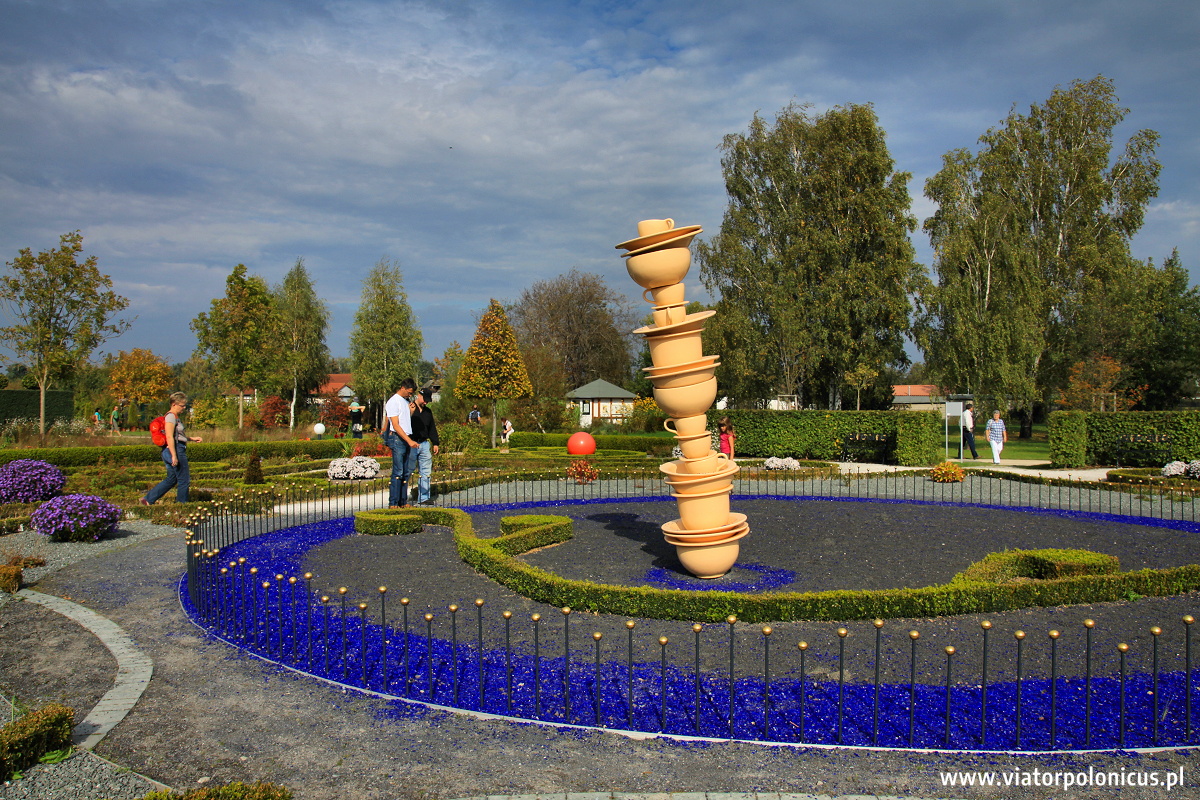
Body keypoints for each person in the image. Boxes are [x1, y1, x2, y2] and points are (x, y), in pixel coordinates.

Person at [142, 392, 203, 505]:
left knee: (172, 479)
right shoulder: (170, 417)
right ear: (174, 404)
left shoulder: (173, 417)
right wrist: (174, 455)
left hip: (170, 449)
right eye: (182, 405)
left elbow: (177, 435)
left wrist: (191, 438)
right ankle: (181, 505)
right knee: (183, 479)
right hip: (175, 449)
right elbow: (169, 436)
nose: (184, 408)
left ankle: (148, 499)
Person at [382, 378, 419, 507]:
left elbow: (404, 419)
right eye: (409, 392)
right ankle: (393, 502)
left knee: (406, 471)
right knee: (398, 471)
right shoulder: (393, 402)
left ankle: (403, 501)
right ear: (403, 387)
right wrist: (409, 441)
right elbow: (396, 425)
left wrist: (411, 412)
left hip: (406, 437)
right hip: (398, 439)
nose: (410, 395)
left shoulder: (405, 401)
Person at [409, 388, 440, 505]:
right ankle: (402, 498)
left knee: (426, 472)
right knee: (408, 470)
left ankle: (424, 498)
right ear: (419, 396)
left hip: (424, 444)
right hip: (411, 443)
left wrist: (435, 442)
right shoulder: (410, 408)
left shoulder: (427, 412)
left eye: (427, 401)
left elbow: (432, 427)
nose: (425, 403)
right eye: (424, 400)